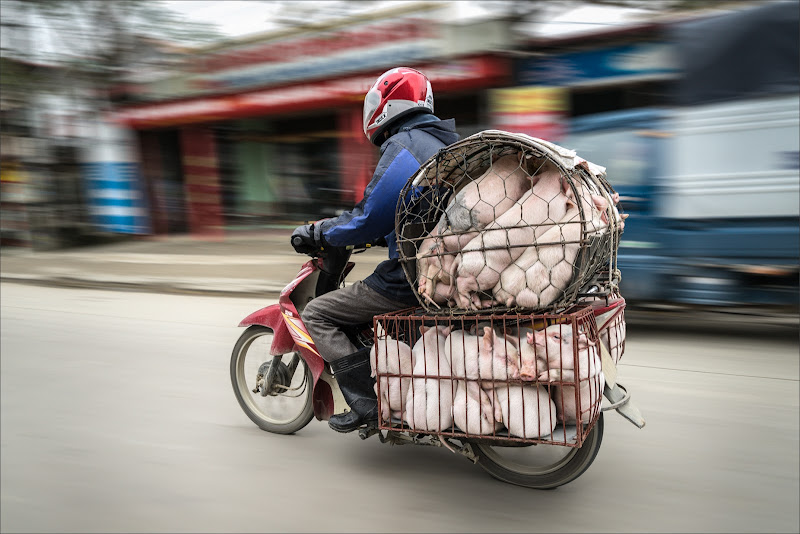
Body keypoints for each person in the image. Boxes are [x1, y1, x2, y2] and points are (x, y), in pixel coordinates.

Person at [290, 67, 460, 433]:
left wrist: (318, 231)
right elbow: (416, 214)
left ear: (387, 103)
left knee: (318, 313)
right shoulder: (444, 143)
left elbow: (369, 216)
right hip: (447, 270)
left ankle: (366, 403)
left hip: (409, 278)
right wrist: (381, 236)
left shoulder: (407, 145)